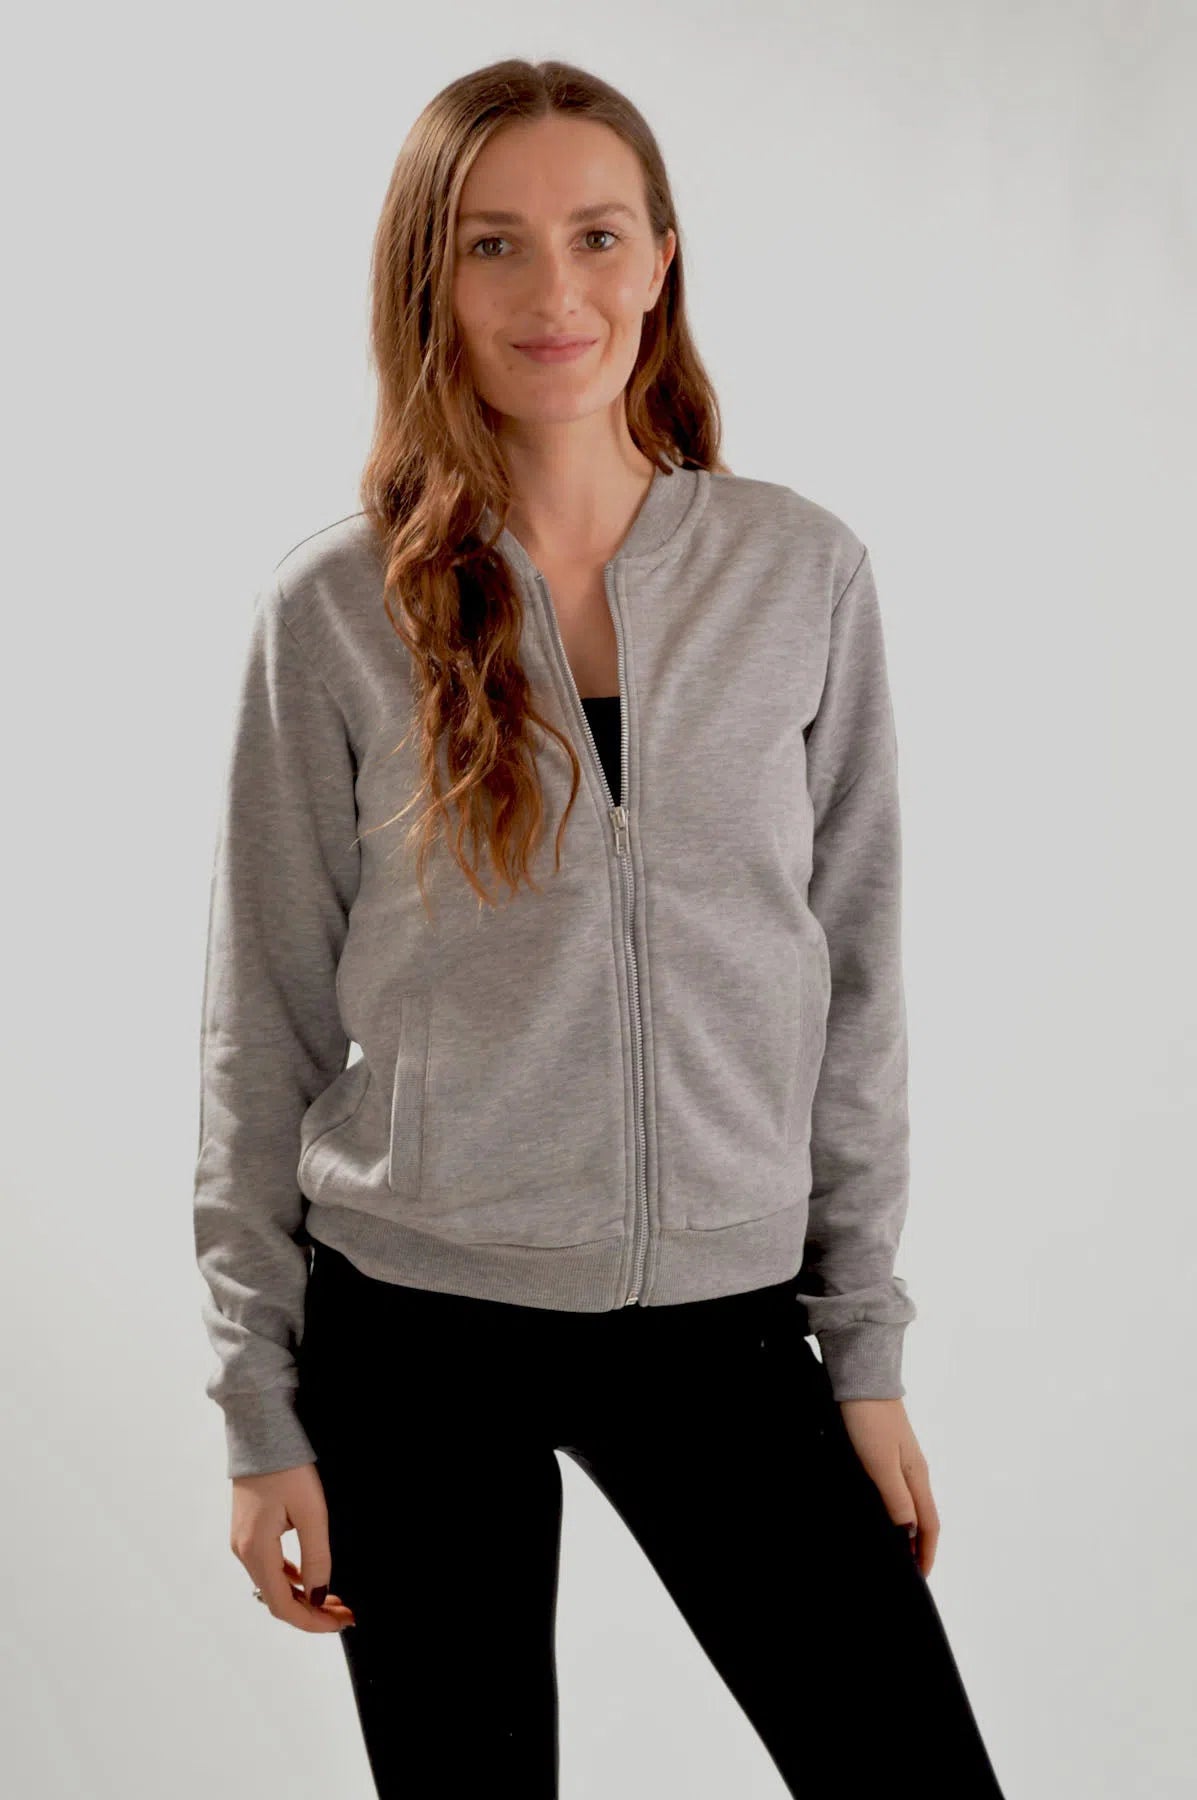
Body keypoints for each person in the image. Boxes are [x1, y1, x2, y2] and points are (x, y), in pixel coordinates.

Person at [193, 56, 1007, 1799]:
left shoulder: (798, 573)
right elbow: (259, 1023)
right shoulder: (334, 610)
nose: (551, 291)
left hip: (724, 1323)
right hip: (413, 1333)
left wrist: (858, 1355)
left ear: (659, 261)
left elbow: (855, 978)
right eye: (491, 243)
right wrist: (260, 1411)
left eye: (595, 236)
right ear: (428, 279)